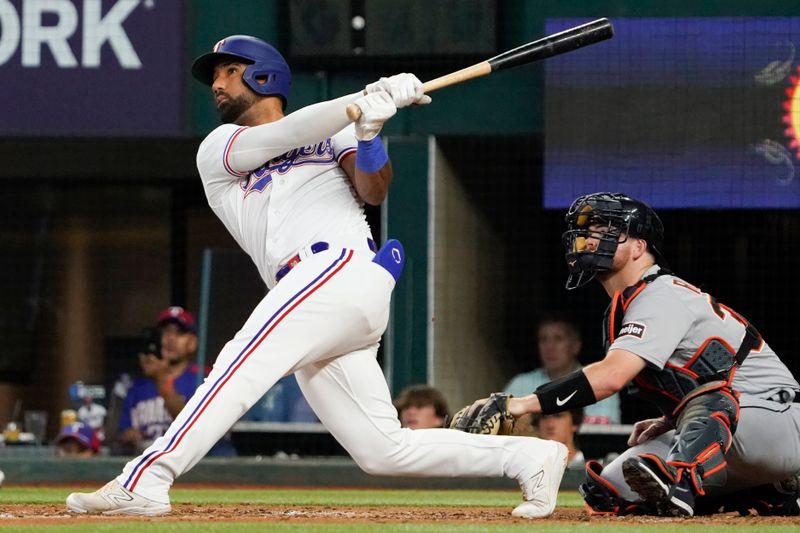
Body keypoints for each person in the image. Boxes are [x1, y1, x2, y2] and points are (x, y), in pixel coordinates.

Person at [66, 35, 567, 518]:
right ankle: (528, 457)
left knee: (238, 364)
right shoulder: (219, 148)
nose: (217, 84)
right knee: (383, 450)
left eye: (229, 72)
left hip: (338, 270)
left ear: (264, 76)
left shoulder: (340, 129)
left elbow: (374, 191)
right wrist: (366, 97)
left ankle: (146, 479)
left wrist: (369, 134)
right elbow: (288, 133)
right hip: (313, 293)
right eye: (215, 75)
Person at [475, 192, 800, 517]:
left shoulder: (660, 294)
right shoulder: (630, 304)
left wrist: (517, 404)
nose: (590, 239)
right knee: (608, 490)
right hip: (741, 433)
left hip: (780, 418)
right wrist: (672, 420)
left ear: (639, 247)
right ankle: (768, 491)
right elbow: (701, 374)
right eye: (590, 232)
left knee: (712, 402)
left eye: (607, 231)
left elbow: (612, 376)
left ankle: (684, 484)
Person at [115, 306, 202, 454]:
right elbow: (117, 435)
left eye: (179, 333)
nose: (171, 338)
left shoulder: (204, 379)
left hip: (190, 467)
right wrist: (129, 436)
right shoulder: (136, 387)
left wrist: (162, 379)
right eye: (166, 331)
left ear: (192, 343)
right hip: (146, 464)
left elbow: (194, 430)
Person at [504, 316, 620, 424]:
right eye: (543, 339)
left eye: (558, 339)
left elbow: (607, 428)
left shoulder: (600, 381)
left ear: (576, 346)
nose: (549, 347)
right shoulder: (520, 383)